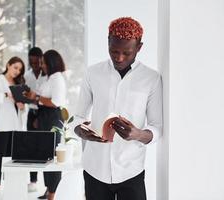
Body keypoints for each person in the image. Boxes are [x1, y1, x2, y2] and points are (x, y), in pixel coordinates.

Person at [74, 17, 163, 200]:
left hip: (131, 171)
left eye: (127, 53)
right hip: (95, 169)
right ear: (108, 41)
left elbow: (157, 127)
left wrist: (137, 134)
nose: (119, 58)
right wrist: (81, 131)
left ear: (139, 48)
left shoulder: (151, 78)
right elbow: (77, 116)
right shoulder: (92, 73)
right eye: (114, 51)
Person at [25, 49, 66, 200]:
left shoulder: (57, 78)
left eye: (43, 63)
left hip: (52, 117)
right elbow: (43, 99)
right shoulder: (50, 78)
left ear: (51, 63)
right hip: (45, 116)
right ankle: (49, 190)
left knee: (53, 156)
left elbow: (56, 102)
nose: (41, 65)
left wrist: (36, 97)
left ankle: (53, 193)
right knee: (46, 155)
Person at [0, 56, 26, 199]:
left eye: (19, 69)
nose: (17, 71)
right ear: (8, 65)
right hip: (1, 125)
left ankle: (10, 184)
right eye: (15, 67)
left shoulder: (18, 84)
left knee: (12, 157)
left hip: (14, 125)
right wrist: (6, 94)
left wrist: (21, 105)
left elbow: (20, 106)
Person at [24, 47, 47, 192]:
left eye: (37, 62)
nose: (35, 66)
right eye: (31, 63)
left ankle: (48, 187)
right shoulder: (27, 76)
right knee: (32, 147)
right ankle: (33, 181)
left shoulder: (48, 76)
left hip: (45, 113)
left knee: (45, 148)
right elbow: (27, 96)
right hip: (32, 112)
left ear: (41, 60)